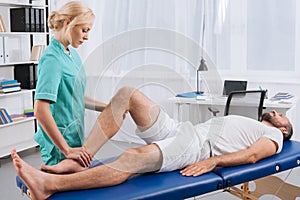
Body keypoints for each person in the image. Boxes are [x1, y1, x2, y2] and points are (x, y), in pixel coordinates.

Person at [12, 86, 293, 200]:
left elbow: (254, 156)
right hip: (184, 130)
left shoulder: (275, 136)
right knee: (127, 95)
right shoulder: (259, 125)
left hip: (196, 147)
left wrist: (214, 161)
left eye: (281, 117)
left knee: (133, 157)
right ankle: (78, 160)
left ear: (283, 128)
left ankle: (49, 185)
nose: (277, 113)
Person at [33, 1, 106, 167]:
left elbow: (76, 96)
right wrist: (66, 149)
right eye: (84, 30)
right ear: (68, 23)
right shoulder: (52, 59)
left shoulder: (72, 54)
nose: (87, 36)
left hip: (75, 136)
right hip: (60, 143)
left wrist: (107, 107)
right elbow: (40, 110)